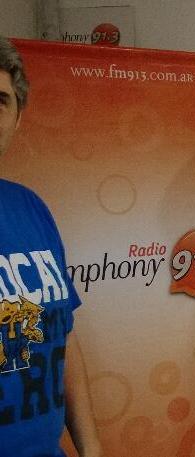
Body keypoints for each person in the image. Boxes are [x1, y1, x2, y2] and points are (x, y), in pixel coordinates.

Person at [0, 36, 102, 457]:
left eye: (0, 101)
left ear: (17, 118)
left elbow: (64, 338)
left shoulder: (31, 207)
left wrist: (91, 449)